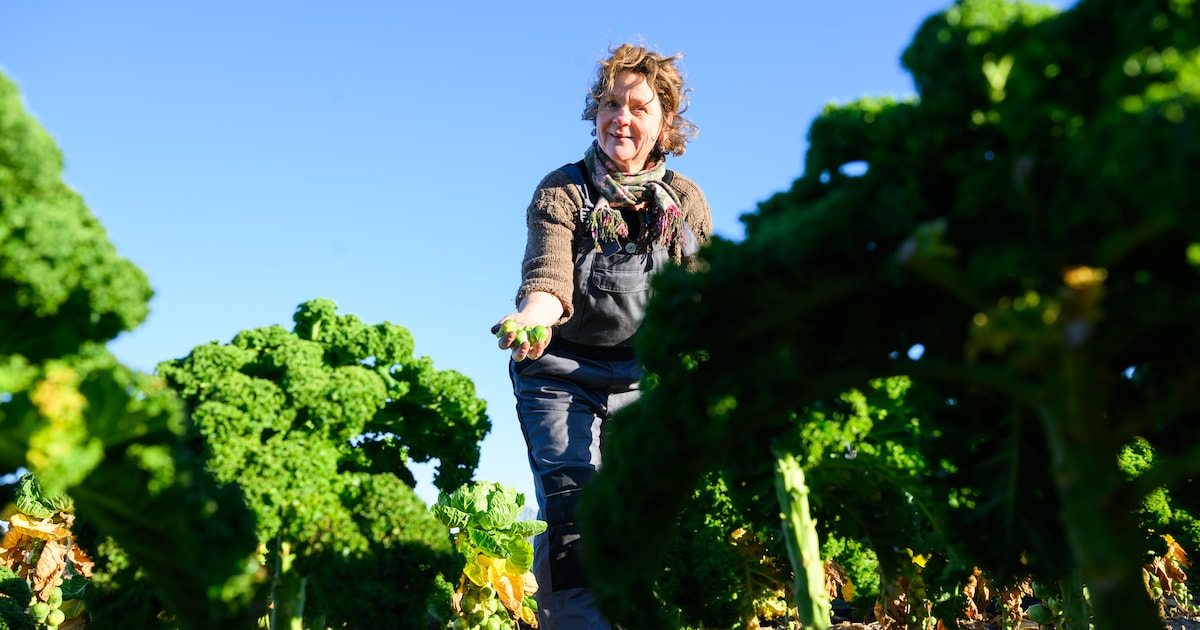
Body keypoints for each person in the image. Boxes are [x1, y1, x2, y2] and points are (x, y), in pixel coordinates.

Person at [491, 42, 713, 629]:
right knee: (573, 508)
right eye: (612, 104)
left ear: (665, 122)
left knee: (639, 513)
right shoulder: (562, 191)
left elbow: (702, 300)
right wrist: (532, 316)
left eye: (640, 107)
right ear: (596, 112)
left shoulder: (685, 201)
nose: (622, 118)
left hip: (643, 378)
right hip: (559, 373)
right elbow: (548, 277)